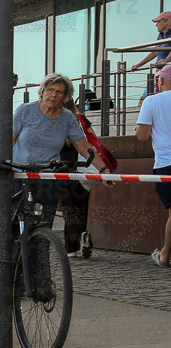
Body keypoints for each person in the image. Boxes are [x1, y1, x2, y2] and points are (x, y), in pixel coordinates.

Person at [13, 73, 115, 231]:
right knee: (17, 225)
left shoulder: (67, 118)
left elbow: (82, 145)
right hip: (20, 175)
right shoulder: (25, 110)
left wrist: (103, 170)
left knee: (44, 225)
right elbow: (9, 141)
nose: (53, 95)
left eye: (59, 92)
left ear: (65, 96)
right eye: (50, 89)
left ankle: (41, 255)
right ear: (42, 91)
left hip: (47, 177)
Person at [135, 64, 171, 267]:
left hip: (166, 163)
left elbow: (142, 136)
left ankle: (165, 254)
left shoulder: (152, 101)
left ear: (162, 80)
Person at [59, 98, 100, 257]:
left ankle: (73, 247)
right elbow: (93, 139)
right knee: (81, 206)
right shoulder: (82, 119)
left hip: (64, 166)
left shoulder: (59, 120)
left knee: (69, 208)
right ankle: (79, 239)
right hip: (85, 167)